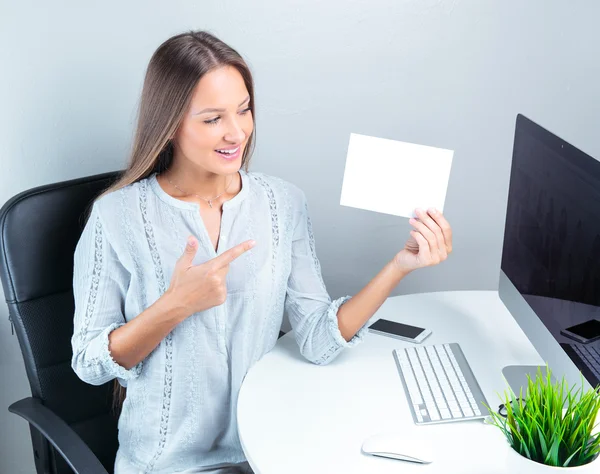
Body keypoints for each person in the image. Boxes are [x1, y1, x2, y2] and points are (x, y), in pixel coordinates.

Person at [70, 30, 453, 474]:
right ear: (170, 124)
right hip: (166, 465)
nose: (237, 133)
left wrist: (400, 265)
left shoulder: (282, 203)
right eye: (212, 119)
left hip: (270, 448)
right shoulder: (116, 217)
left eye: (244, 109)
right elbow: (89, 364)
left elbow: (317, 339)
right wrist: (174, 307)